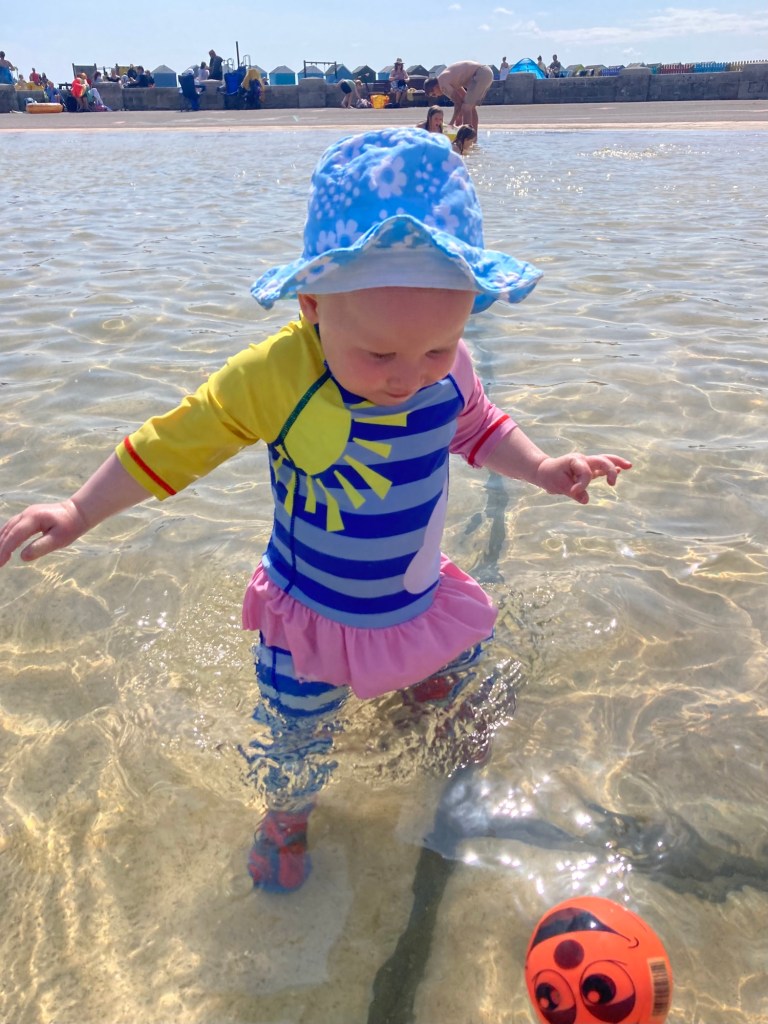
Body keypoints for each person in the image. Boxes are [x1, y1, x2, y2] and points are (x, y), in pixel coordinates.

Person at [0, 128, 630, 894]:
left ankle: (422, 689)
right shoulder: (275, 377)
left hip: (415, 595)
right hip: (312, 616)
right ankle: (286, 818)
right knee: (296, 737)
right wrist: (79, 508)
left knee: (459, 683)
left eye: (437, 348)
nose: (409, 377)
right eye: (378, 355)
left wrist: (541, 467)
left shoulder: (447, 364)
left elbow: (476, 426)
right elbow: (175, 443)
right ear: (312, 307)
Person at [424, 60, 494, 131]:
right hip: (486, 72)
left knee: (466, 108)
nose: (436, 96)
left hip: (480, 73)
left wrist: (451, 123)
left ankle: (466, 137)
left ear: (434, 87)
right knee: (470, 107)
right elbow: (462, 100)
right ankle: (473, 137)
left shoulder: (442, 84)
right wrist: (459, 117)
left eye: (433, 94)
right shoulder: (449, 79)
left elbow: (458, 103)